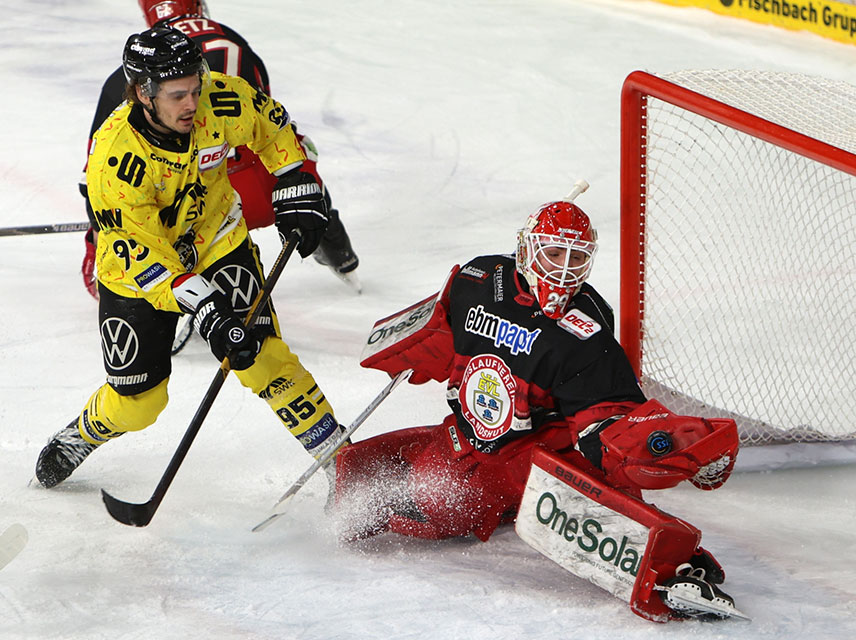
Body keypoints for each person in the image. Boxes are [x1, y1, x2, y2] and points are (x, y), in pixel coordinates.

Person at [331, 188, 745, 622]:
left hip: (540, 457)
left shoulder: (586, 333)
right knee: (429, 501)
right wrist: (414, 346)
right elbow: (441, 324)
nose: (563, 271)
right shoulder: (477, 279)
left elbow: (608, 418)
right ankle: (491, 502)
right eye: (552, 254)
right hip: (469, 448)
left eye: (576, 258)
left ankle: (674, 568)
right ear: (526, 248)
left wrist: (666, 446)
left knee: (596, 506)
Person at [36, 25, 344, 488]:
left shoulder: (217, 101)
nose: (192, 104)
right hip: (139, 273)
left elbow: (271, 125)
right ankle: (82, 433)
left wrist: (295, 177)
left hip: (216, 236)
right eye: (177, 95)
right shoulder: (114, 159)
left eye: (195, 89)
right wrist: (205, 306)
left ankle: (339, 459)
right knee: (140, 405)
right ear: (143, 92)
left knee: (263, 357)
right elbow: (142, 256)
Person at [79, 0, 359, 299]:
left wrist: (98, 253)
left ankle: (195, 296)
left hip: (205, 210)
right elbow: (271, 128)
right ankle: (339, 252)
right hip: (269, 196)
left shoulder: (140, 77)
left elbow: (94, 181)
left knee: (132, 197)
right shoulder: (235, 42)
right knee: (294, 162)